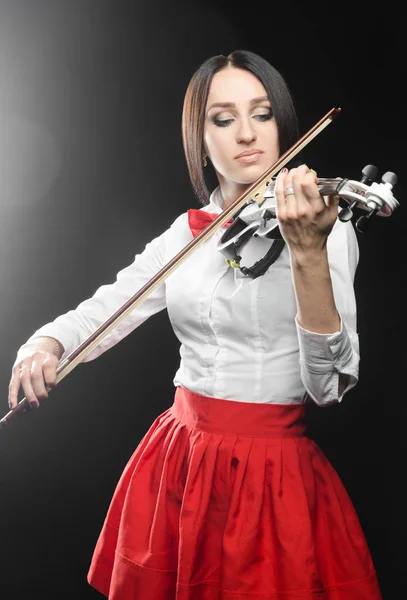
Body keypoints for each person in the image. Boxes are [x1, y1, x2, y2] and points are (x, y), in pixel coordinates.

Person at [8, 50, 382, 599]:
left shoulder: (326, 229)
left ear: (283, 125)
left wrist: (305, 255)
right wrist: (45, 342)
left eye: (262, 114)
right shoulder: (187, 234)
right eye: (224, 119)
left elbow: (328, 388)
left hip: (270, 473)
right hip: (178, 459)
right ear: (200, 141)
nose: (247, 134)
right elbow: (108, 306)